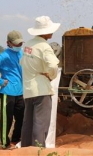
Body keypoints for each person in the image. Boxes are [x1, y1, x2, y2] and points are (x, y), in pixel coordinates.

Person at [20, 16, 60, 147]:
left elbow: (23, 62)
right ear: (45, 32)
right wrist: (51, 76)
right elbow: (53, 65)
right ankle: (38, 150)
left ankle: (26, 149)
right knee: (40, 123)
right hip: (41, 89)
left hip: (28, 89)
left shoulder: (28, 45)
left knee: (28, 123)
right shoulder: (44, 47)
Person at [0, 30, 25, 149]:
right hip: (7, 92)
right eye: (16, 44)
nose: (18, 46)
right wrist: (0, 81)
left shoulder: (21, 53)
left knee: (21, 118)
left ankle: (16, 139)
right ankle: (5, 143)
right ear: (8, 43)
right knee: (6, 120)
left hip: (20, 92)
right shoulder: (4, 55)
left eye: (20, 43)